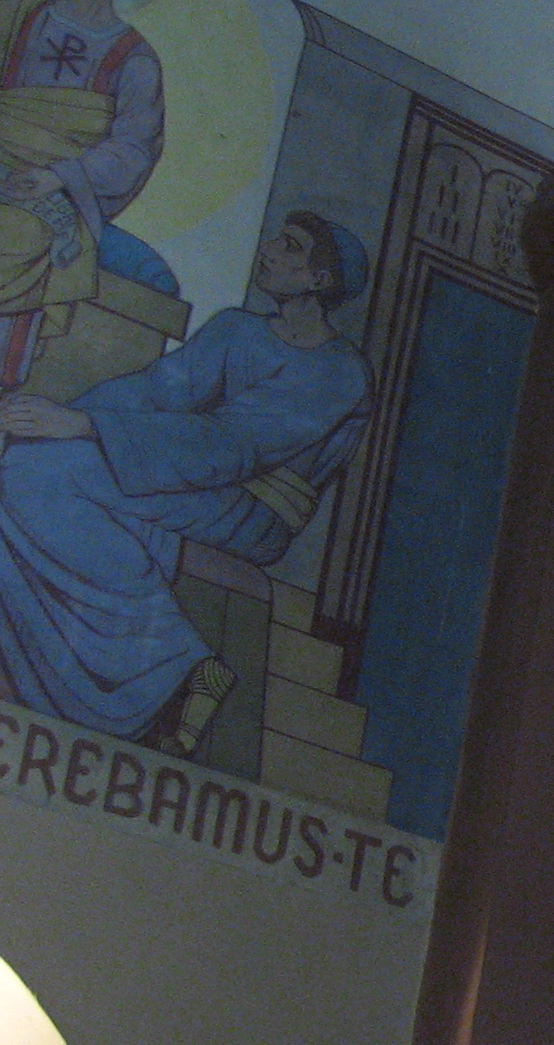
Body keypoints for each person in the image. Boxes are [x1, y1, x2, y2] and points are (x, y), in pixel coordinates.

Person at [0, 212, 371, 753]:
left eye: (290, 246)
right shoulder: (237, 328)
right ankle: (187, 671)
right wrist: (51, 421)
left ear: (320, 279)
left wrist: (83, 426)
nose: (268, 248)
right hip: (193, 478)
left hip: (252, 509)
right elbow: (156, 391)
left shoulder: (341, 372)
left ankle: (169, 666)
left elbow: (235, 445)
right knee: (30, 463)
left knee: (38, 476)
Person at [0, 0, 167, 389]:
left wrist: (58, 176)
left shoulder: (134, 59)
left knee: (16, 236)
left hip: (57, 194)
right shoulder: (23, 13)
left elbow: (133, 150)